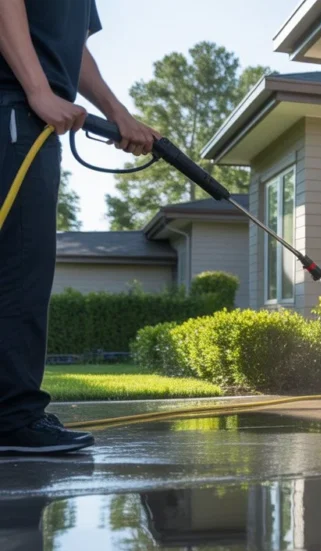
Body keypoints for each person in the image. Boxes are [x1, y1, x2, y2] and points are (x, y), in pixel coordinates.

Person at [0, 0, 159, 453]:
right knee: (19, 271)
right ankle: (12, 419)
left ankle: (11, 414)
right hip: (15, 107)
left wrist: (119, 113)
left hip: (34, 118)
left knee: (26, 268)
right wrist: (37, 89)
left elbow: (72, 51)